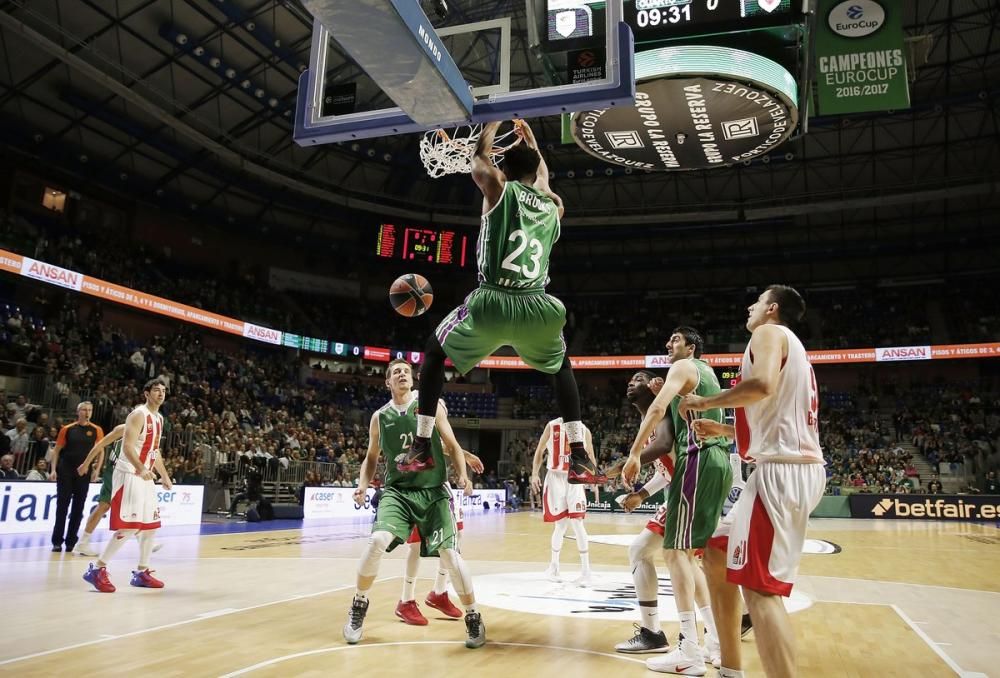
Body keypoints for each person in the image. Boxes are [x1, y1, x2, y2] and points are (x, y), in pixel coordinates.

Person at [399, 119, 604, 486]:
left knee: (433, 352)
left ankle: (421, 444)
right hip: (537, 306)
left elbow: (479, 158)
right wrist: (533, 144)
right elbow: (543, 177)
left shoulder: (497, 188)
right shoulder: (554, 207)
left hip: (493, 301)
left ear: (504, 170)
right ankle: (580, 456)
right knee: (561, 369)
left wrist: (492, 123)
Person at [680, 285, 825, 678]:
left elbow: (761, 387)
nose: (750, 306)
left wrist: (704, 402)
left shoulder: (768, 333)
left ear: (772, 309)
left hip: (782, 471)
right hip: (785, 465)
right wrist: (725, 431)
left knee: (761, 592)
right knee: (715, 552)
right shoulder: (790, 346)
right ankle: (730, 668)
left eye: (757, 301)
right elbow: (776, 414)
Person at [343, 359, 485, 649]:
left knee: (450, 555)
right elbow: (371, 458)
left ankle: (473, 616)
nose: (402, 374)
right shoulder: (379, 417)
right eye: (396, 372)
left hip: (433, 492)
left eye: (406, 371)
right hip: (398, 492)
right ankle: (359, 604)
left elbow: (451, 445)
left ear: (414, 379)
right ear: (388, 382)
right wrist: (362, 485)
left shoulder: (430, 404)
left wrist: (463, 475)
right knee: (377, 541)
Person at [623, 328, 732, 676]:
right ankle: (712, 642)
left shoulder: (683, 368)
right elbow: (673, 405)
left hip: (698, 460)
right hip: (716, 462)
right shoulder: (707, 371)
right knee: (685, 556)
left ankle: (689, 649)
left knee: (674, 554)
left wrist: (634, 452)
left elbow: (657, 409)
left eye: (675, 339)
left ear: (691, 345)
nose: (669, 344)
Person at [83, 378, 172, 593]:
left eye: (163, 391)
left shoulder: (159, 418)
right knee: (130, 526)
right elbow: (129, 447)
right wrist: (141, 468)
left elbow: (154, 451)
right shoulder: (138, 414)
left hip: (145, 476)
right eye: (156, 390)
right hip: (130, 474)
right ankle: (97, 569)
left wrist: (165, 475)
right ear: (146, 393)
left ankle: (142, 572)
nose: (161, 393)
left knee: (151, 525)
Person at [397, 449, 484, 626]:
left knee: (455, 534)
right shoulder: (408, 423)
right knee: (416, 543)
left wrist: (465, 459)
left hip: (439, 483)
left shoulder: (435, 422)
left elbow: (445, 443)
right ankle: (406, 600)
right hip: (415, 484)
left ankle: (439, 592)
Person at [530, 417, 597, 585]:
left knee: (577, 523)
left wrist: (594, 479)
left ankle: (586, 571)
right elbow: (540, 450)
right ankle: (554, 567)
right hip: (555, 477)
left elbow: (590, 456)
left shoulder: (583, 429)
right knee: (560, 525)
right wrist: (534, 474)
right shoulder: (552, 426)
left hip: (575, 478)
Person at [49, 402, 105, 553]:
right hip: (65, 470)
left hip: (84, 473)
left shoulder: (96, 430)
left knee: (78, 508)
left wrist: (97, 470)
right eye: (84, 410)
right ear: (78, 411)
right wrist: (53, 470)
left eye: (90, 410)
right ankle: (57, 541)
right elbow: (56, 451)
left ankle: (71, 542)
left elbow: (101, 451)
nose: (87, 412)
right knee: (62, 507)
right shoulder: (67, 429)